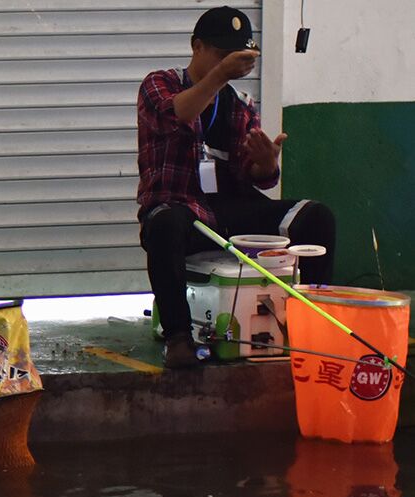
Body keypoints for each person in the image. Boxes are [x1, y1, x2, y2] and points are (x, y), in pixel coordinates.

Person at [136, 6, 335, 368]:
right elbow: (179, 114)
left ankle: (312, 325)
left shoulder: (240, 104)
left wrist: (266, 163)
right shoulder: (158, 84)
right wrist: (218, 76)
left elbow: (257, 177)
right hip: (180, 208)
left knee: (316, 217)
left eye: (237, 56)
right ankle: (178, 338)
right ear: (196, 46)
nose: (229, 62)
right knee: (163, 224)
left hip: (229, 214)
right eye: (221, 53)